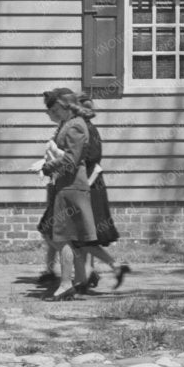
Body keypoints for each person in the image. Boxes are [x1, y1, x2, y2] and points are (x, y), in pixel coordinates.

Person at [36, 86, 123, 298]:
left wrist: (47, 167)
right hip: (66, 185)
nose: (54, 114)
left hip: (72, 186)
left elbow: (71, 160)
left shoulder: (75, 126)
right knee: (66, 238)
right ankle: (78, 279)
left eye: (56, 109)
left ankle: (68, 283)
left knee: (62, 237)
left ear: (67, 106)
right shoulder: (70, 124)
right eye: (52, 110)